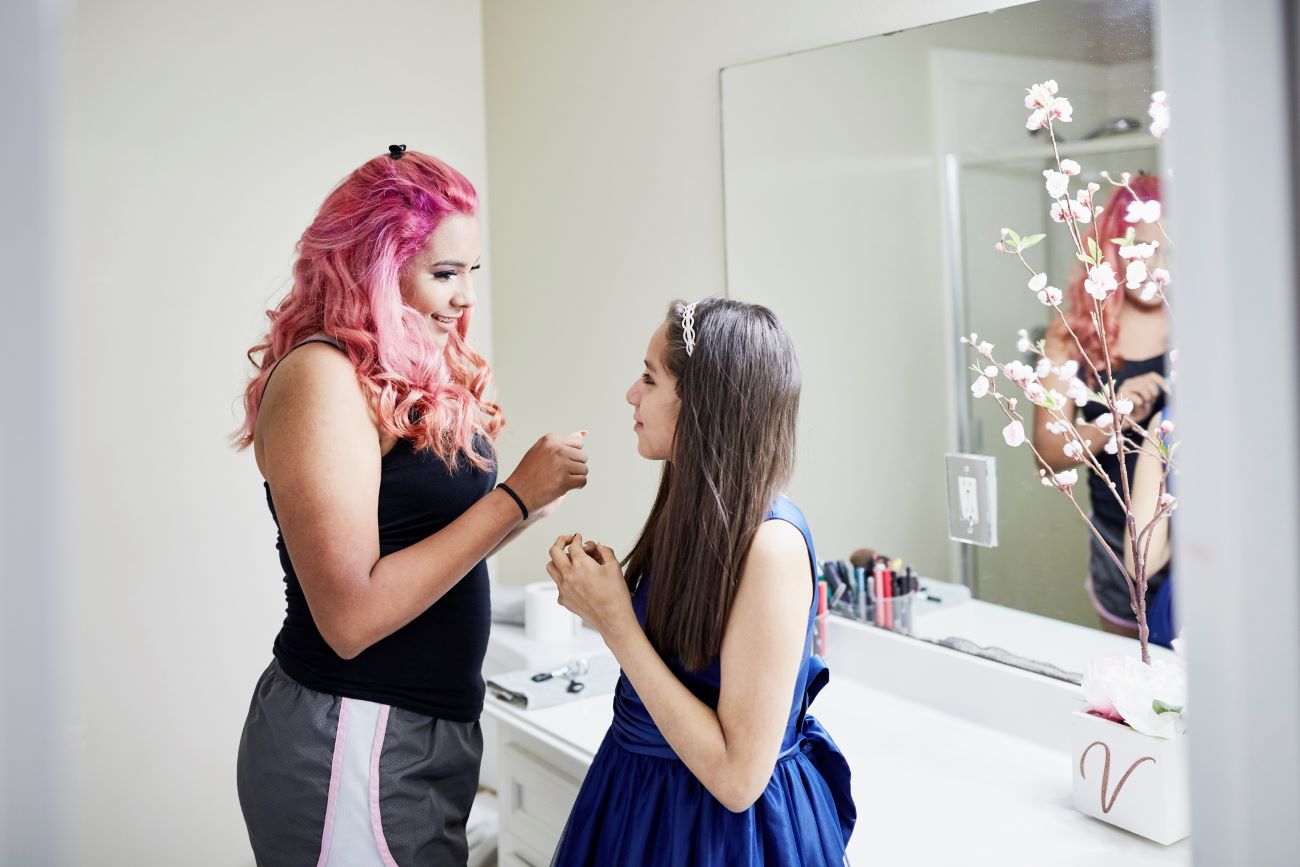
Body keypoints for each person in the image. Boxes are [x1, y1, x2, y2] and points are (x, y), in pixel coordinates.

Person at [233, 146, 588, 866]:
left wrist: (521, 510)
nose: (466, 299)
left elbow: (413, 542)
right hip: (353, 730)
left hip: (421, 729)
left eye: (471, 273)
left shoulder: (394, 373)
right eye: (445, 274)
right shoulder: (320, 377)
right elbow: (351, 619)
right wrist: (513, 497)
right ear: (376, 267)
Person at [544, 298, 855, 866]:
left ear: (702, 402)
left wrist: (614, 621)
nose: (631, 394)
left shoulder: (771, 547)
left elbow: (739, 780)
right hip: (639, 802)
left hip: (724, 838)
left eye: (649, 377)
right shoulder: (690, 514)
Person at [1033, 174, 1171, 637]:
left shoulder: (1201, 319)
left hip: (1198, 538)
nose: (1156, 266)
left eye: (1171, 250)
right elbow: (1049, 456)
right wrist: (1117, 419)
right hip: (1116, 540)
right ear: (1113, 247)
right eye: (1144, 249)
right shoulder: (1072, 330)